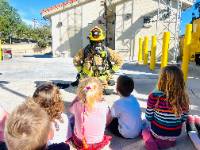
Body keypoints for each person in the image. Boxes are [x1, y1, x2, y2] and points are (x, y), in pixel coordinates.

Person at [143, 65, 190, 150]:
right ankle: (169, 142)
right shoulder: (183, 98)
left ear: (161, 80)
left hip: (157, 132)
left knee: (144, 130)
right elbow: (184, 118)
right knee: (168, 136)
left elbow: (149, 117)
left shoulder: (154, 96)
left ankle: (152, 143)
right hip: (175, 134)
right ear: (181, 81)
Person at [71, 26, 123, 95]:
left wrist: (110, 72)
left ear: (102, 41)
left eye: (98, 42)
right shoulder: (85, 51)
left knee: (103, 91)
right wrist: (81, 71)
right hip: (87, 78)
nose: (96, 44)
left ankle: (103, 85)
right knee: (85, 91)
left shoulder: (107, 51)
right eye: (94, 42)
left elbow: (119, 60)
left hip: (102, 79)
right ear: (90, 41)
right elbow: (76, 60)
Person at [69, 77, 111, 149]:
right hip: (97, 141)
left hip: (80, 142)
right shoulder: (104, 105)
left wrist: (77, 98)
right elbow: (108, 119)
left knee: (71, 118)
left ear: (80, 92)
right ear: (99, 92)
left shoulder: (77, 104)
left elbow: (70, 109)